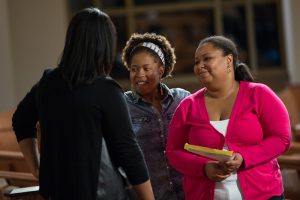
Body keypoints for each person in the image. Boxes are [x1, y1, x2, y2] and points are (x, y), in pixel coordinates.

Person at [12, 7, 154, 200]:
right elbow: (128, 151)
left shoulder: (48, 82)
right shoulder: (106, 90)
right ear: (104, 45)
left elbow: (21, 119)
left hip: (54, 193)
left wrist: (37, 168)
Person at [166, 35, 291, 200]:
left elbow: (281, 139)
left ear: (228, 60)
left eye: (207, 59)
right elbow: (173, 151)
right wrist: (204, 168)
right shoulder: (187, 106)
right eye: (196, 62)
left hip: (264, 194)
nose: (200, 66)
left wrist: (244, 158)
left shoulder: (260, 94)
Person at [121, 32, 190, 200]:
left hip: (189, 193)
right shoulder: (123, 105)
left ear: (161, 70)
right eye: (134, 69)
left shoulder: (183, 99)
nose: (139, 75)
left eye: (146, 68)